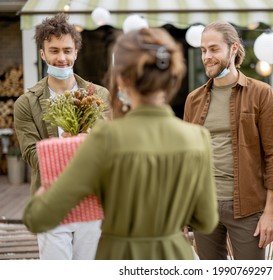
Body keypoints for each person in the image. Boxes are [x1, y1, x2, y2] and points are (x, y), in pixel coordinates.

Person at [22, 27, 218, 260]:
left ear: (122, 78)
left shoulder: (105, 138)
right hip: (174, 257)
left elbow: (38, 218)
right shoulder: (197, 138)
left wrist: (43, 193)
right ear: (173, 76)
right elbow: (206, 220)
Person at [13, 13, 111, 260]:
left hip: (93, 199)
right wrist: (68, 148)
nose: (61, 58)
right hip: (51, 201)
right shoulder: (26, 103)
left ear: (76, 52)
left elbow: (110, 148)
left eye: (67, 50)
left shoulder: (99, 95)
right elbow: (32, 154)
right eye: (53, 50)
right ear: (43, 53)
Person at [183, 21, 273, 260]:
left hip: (248, 209)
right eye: (203, 50)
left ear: (233, 48)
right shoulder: (193, 99)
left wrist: (271, 212)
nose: (207, 56)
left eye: (214, 49)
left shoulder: (261, 93)